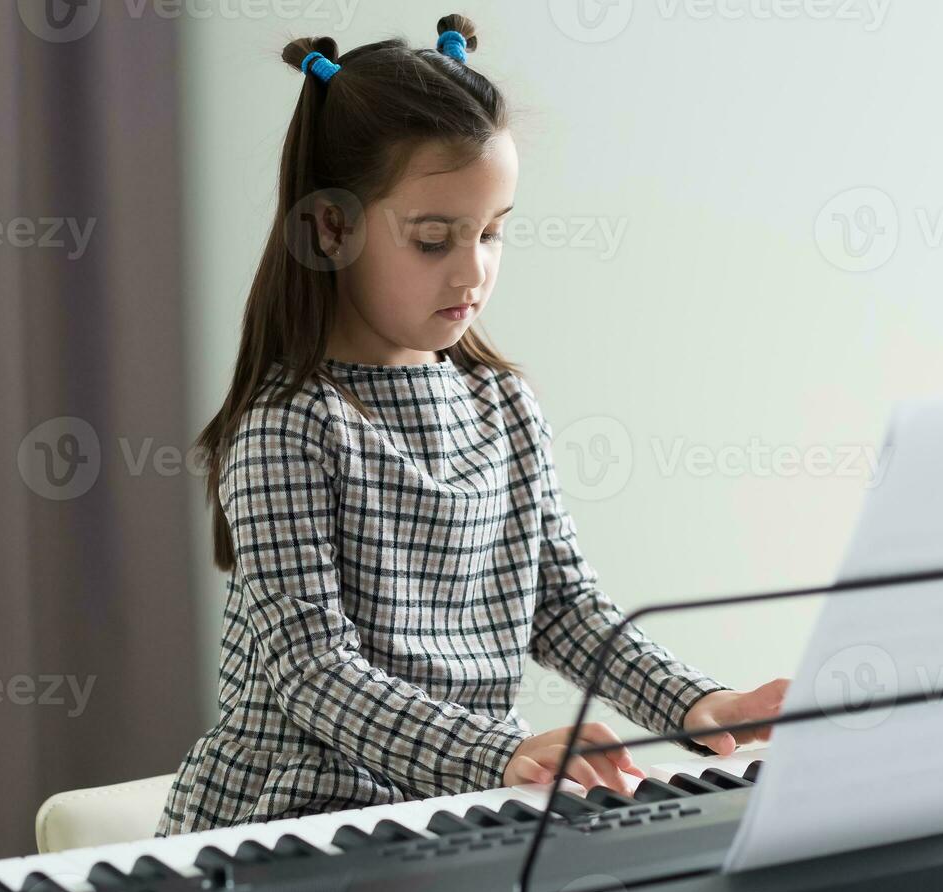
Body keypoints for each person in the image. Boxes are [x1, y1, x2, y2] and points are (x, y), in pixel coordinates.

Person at [155, 14, 788, 837]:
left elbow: (562, 607)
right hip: (289, 821)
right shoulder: (287, 428)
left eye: (493, 232)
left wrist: (704, 705)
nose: (473, 270)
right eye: (432, 240)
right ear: (333, 228)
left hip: (446, 810)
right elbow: (313, 673)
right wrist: (503, 751)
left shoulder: (502, 405)